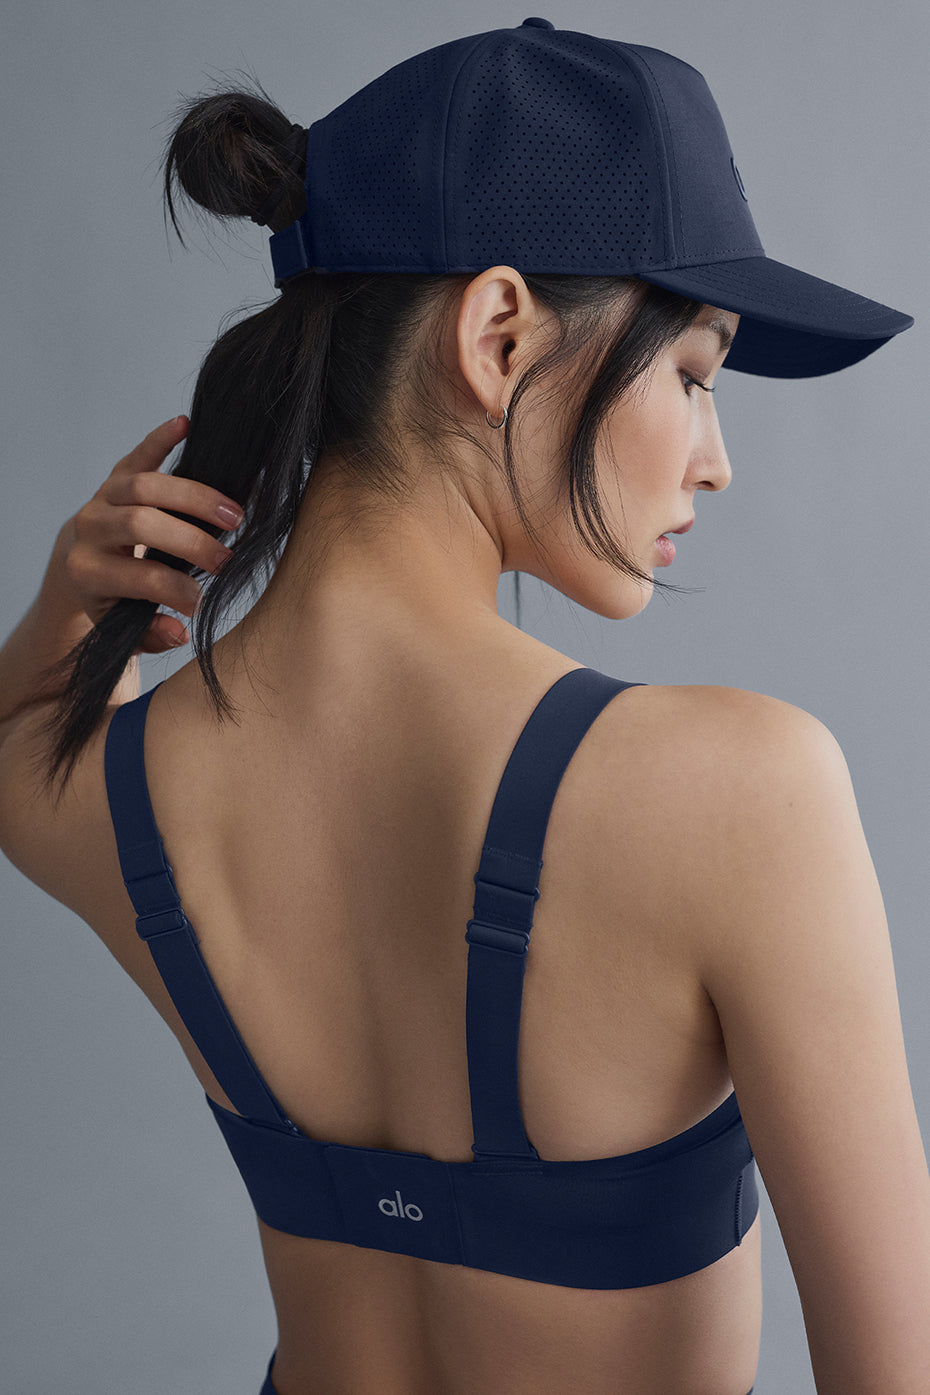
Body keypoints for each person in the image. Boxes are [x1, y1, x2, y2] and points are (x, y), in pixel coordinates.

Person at [0, 17, 928, 1395]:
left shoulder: (113, 790)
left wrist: (60, 611)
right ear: (497, 336)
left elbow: (17, 740)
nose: (715, 460)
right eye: (691, 373)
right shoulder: (744, 795)